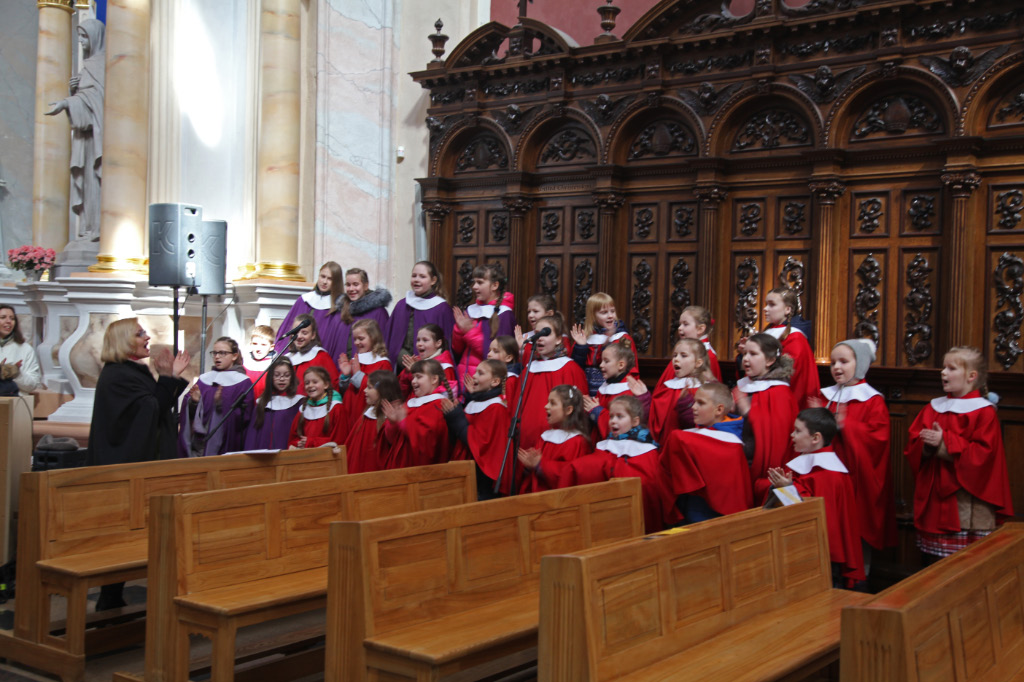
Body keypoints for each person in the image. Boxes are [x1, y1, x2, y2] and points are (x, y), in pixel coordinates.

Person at [88, 318, 189, 613]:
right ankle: (109, 596)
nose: (147, 337)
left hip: (137, 463)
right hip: (123, 467)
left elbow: (153, 407)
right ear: (123, 342)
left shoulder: (131, 372)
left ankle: (114, 595)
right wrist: (167, 378)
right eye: (140, 334)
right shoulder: (118, 375)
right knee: (121, 534)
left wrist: (170, 377)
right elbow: (149, 410)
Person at [905, 346, 1013, 563]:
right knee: (932, 567)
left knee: (965, 566)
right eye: (943, 367)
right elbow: (913, 444)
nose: (943, 373)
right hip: (935, 499)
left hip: (968, 505)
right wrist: (926, 445)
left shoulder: (984, 412)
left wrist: (944, 443)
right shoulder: (932, 407)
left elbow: (984, 455)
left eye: (951, 368)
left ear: (971, 376)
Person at [814, 339, 897, 558]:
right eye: (833, 362)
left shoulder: (872, 400)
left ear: (859, 364)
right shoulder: (826, 396)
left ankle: (859, 576)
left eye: (843, 361)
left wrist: (844, 425)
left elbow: (877, 441)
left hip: (855, 477)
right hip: (828, 477)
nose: (836, 367)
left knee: (855, 528)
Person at [551, 394, 680, 533]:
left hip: (640, 518)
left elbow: (651, 486)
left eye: (619, 416)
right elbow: (586, 469)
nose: (612, 421)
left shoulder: (647, 451)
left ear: (635, 421)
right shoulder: (605, 446)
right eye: (611, 416)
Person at [768, 408, 865, 586]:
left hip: (823, 559)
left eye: (798, 431)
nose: (792, 435)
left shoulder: (828, 475)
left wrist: (786, 489)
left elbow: (814, 518)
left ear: (815, 438)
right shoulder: (813, 466)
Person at [45, 18, 104, 240]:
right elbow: (87, 101)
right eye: (79, 36)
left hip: (99, 137)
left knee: (95, 182)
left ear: (95, 37)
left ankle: (97, 229)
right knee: (87, 183)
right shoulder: (88, 66)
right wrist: (73, 95)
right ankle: (89, 228)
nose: (80, 41)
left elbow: (100, 101)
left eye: (83, 36)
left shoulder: (100, 66)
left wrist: (68, 102)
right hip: (86, 138)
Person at [661, 382, 751, 522]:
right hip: (691, 506)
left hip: (711, 514)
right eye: (694, 402)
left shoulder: (731, 443)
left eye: (700, 403)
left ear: (719, 409)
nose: (694, 407)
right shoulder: (700, 432)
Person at [735, 333, 799, 503]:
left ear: (770, 360)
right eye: (744, 353)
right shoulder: (746, 385)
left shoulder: (779, 393)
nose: (746, 359)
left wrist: (748, 412)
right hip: (743, 464)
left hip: (762, 469)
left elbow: (776, 437)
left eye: (753, 354)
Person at [517, 315, 588, 451]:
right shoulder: (528, 368)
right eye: (537, 334)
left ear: (558, 339)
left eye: (546, 333)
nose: (540, 338)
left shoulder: (570, 369)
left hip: (558, 445)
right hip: (525, 444)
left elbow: (578, 411)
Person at [443, 359, 511, 498]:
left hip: (483, 480)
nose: (474, 376)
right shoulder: (475, 402)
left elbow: (482, 444)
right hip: (467, 470)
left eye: (480, 373)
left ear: (495, 382)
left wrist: (457, 419)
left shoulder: (496, 407)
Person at [179, 337, 253, 457]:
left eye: (222, 353)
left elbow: (246, 416)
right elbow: (188, 413)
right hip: (199, 445)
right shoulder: (204, 379)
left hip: (226, 444)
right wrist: (194, 402)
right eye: (215, 353)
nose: (217, 357)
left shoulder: (243, 383)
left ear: (234, 356)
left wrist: (222, 405)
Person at [452, 263, 516, 394]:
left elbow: (497, 354)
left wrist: (468, 332)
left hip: (486, 381)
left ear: (494, 285)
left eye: (480, 282)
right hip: (464, 375)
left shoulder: (504, 313)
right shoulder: (471, 310)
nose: (474, 287)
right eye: (474, 282)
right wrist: (459, 331)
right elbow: (457, 349)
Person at [517, 385, 592, 493]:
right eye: (548, 402)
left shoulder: (577, 441)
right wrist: (529, 466)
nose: (546, 406)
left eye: (552, 403)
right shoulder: (545, 437)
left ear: (568, 410)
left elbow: (570, 475)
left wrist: (540, 464)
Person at [381, 358, 452, 468]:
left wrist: (403, 423)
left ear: (434, 379)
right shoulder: (410, 404)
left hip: (421, 473)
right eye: (413, 377)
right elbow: (393, 441)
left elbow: (427, 443)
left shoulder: (439, 405)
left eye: (419, 377)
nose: (413, 381)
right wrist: (392, 423)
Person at [386, 261, 455, 365]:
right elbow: (392, 339)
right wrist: (404, 358)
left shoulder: (441, 307)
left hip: (430, 367)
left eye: (422, 276)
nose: (417, 280)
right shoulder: (402, 305)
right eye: (414, 276)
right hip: (401, 365)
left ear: (433, 280)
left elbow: (447, 344)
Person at [762, 287, 820, 410]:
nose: (765, 309)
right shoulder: (767, 333)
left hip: (785, 400)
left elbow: (790, 373)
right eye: (766, 304)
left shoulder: (795, 337)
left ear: (787, 309)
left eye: (771, 305)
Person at [570, 293, 638, 395]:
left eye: (612, 311)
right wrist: (581, 346)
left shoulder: (622, 338)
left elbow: (626, 368)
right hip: (586, 390)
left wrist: (608, 343)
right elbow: (576, 369)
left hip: (611, 392)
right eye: (604, 312)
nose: (610, 316)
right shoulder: (585, 337)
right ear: (593, 315)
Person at [649, 338, 713, 444]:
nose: (676, 359)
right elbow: (654, 419)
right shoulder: (667, 387)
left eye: (683, 355)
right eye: (675, 355)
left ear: (698, 363)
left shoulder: (703, 390)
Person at [276, 261, 344, 353]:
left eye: (329, 279)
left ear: (336, 282)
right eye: (322, 276)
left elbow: (337, 341)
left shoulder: (338, 307)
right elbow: (287, 328)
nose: (324, 282)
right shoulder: (304, 300)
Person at [343, 370, 402, 472]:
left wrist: (393, 424)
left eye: (369, 387)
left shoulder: (390, 419)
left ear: (383, 391)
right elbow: (352, 446)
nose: (365, 390)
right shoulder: (366, 414)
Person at [244, 358, 302, 451]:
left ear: (292, 377)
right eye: (277, 375)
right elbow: (252, 436)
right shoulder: (262, 403)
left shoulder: (298, 403)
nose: (281, 379)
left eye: (286, 375)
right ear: (271, 377)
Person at [333, 267, 392, 359]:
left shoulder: (378, 312)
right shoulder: (342, 311)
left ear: (365, 286)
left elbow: (383, 344)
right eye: (348, 285)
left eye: (356, 284)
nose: (351, 289)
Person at [658, 306, 722, 383]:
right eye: (680, 324)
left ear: (700, 329)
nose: (679, 328)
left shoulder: (707, 355)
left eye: (685, 324)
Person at [289, 366, 348, 448]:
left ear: (326, 385)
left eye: (315, 382)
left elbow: (340, 440)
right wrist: (298, 443)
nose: (310, 385)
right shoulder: (303, 409)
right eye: (307, 383)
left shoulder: (336, 408)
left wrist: (311, 442)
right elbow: (293, 438)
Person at [284, 314, 339, 394]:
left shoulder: (320, 356)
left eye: (304, 333)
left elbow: (333, 384)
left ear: (313, 335)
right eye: (295, 332)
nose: (299, 336)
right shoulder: (287, 358)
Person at [0, 305, 43, 394]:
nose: (8, 321)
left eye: (12, 318)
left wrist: (16, 373)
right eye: (3, 317)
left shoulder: (25, 349)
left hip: (14, 403)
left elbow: (32, 385)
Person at [243, 325, 276, 398]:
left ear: (271, 347)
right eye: (255, 344)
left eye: (263, 345)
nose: (258, 348)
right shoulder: (244, 363)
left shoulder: (275, 365)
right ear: (250, 344)